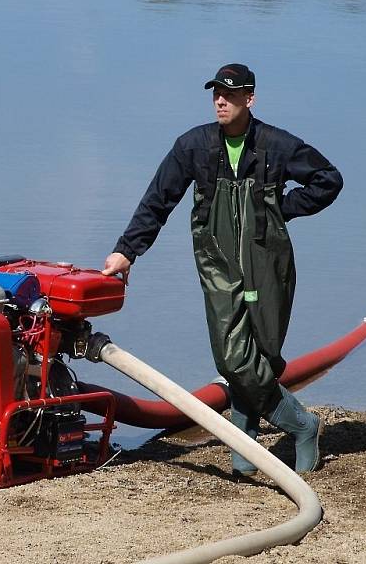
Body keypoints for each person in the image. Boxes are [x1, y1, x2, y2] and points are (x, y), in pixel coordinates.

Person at [102, 64, 343, 475]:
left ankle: (245, 442)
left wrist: (278, 211)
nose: (219, 101)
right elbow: (158, 200)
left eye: (229, 96)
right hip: (218, 262)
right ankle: (301, 424)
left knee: (264, 351)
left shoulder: (276, 145)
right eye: (215, 93)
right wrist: (127, 251)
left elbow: (328, 180)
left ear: (249, 99)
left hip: (268, 259)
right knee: (232, 357)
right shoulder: (193, 146)